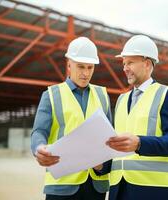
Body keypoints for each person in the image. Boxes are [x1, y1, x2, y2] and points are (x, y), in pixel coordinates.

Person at [31, 37, 112, 200]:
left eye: (90, 67)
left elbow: (110, 138)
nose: (86, 73)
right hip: (62, 185)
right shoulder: (51, 95)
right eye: (80, 67)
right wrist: (39, 147)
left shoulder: (102, 95)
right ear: (69, 65)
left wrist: (103, 166)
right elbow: (39, 131)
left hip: (96, 185)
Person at [106, 35, 168, 200]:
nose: (125, 68)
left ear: (147, 64)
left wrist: (139, 143)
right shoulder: (121, 100)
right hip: (118, 189)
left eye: (130, 63)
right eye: (124, 63)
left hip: (154, 190)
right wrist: (100, 165)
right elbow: (118, 148)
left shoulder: (167, 94)